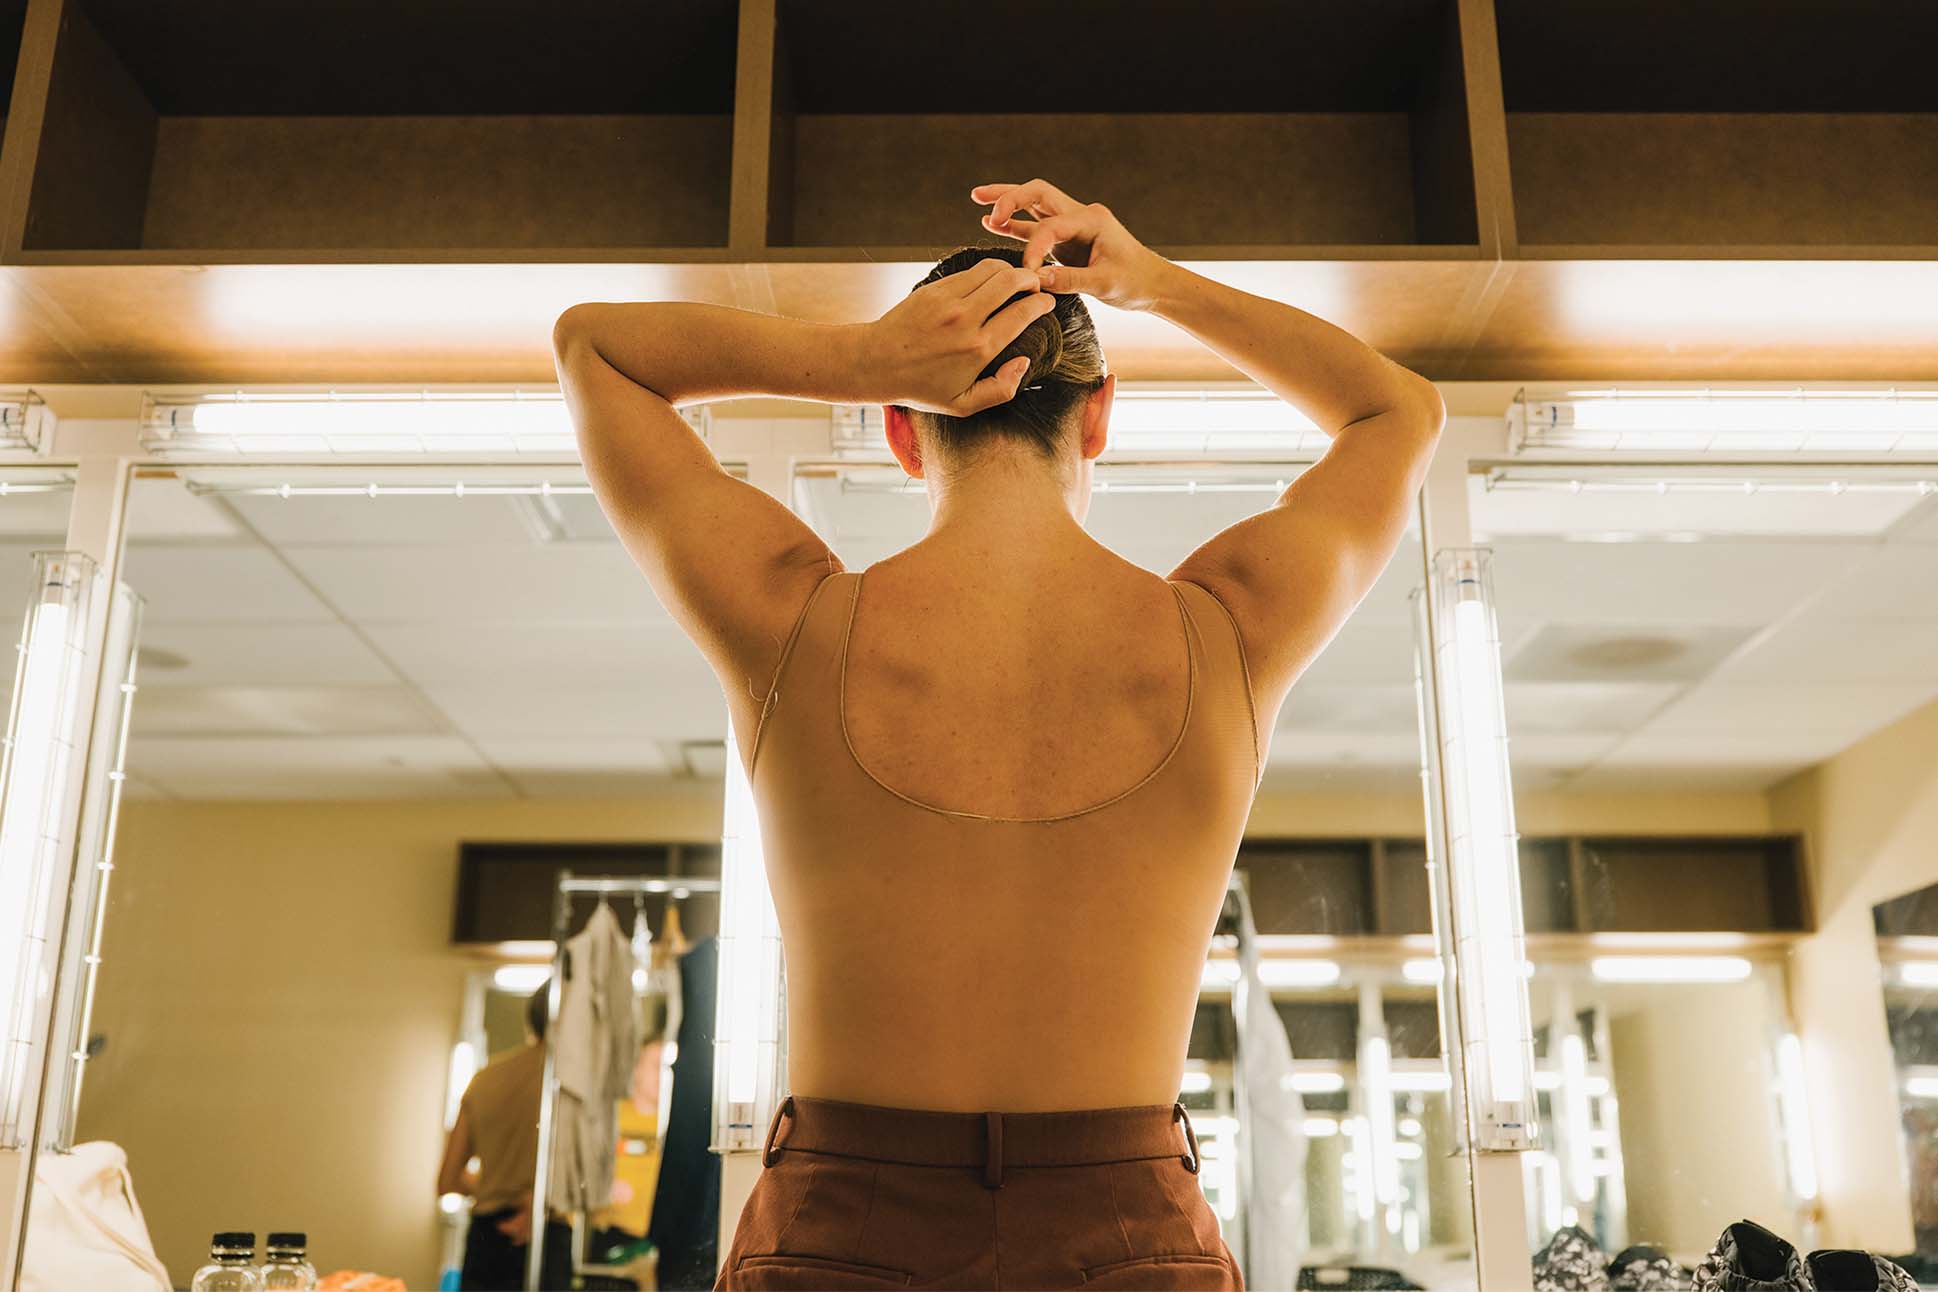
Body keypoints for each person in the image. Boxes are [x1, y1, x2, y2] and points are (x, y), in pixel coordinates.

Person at [553, 178, 1445, 1291]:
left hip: (848, 1234)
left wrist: (862, 358)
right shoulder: (1231, 623)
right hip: (1126, 1239)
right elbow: (1397, 410)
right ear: (1101, 413)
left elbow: (596, 350)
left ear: (898, 430)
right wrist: (1149, 279)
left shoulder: (791, 616)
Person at [437, 986, 573, 1291]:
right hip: (546, 1235)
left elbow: (447, 1180)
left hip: (487, 1238)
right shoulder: (569, 1084)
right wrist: (532, 1203)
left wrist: (495, 1188)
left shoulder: (485, 1079)